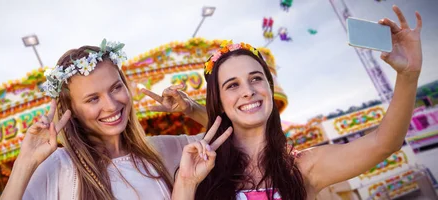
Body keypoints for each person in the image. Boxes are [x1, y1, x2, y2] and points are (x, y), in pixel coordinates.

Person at [172, 5, 423, 200]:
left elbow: (383, 143)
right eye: (233, 85)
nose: (248, 91)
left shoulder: (303, 168)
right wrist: (186, 182)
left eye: (256, 78)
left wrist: (408, 75)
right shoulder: (199, 172)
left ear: (269, 89)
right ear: (219, 99)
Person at [0, 39, 207, 200]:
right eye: (92, 99)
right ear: (71, 110)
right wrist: (25, 162)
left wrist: (191, 108)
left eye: (116, 88)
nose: (111, 105)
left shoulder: (163, 150)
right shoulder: (59, 167)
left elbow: (234, 130)